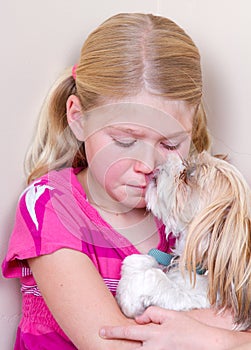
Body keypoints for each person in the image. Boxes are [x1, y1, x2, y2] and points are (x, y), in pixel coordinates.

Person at [2, 12, 251, 350]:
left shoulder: (185, 214)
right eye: (124, 140)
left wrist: (221, 339)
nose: (147, 165)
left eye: (169, 143)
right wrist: (220, 337)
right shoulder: (50, 206)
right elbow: (112, 344)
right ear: (78, 119)